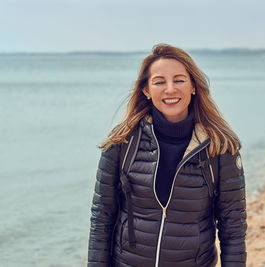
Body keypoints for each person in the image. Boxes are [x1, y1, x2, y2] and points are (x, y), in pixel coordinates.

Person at [87, 44, 247, 267]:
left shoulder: (219, 147)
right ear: (146, 90)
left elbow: (233, 227)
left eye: (179, 80)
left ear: (193, 86)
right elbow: (102, 218)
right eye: (159, 82)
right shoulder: (122, 142)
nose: (170, 89)